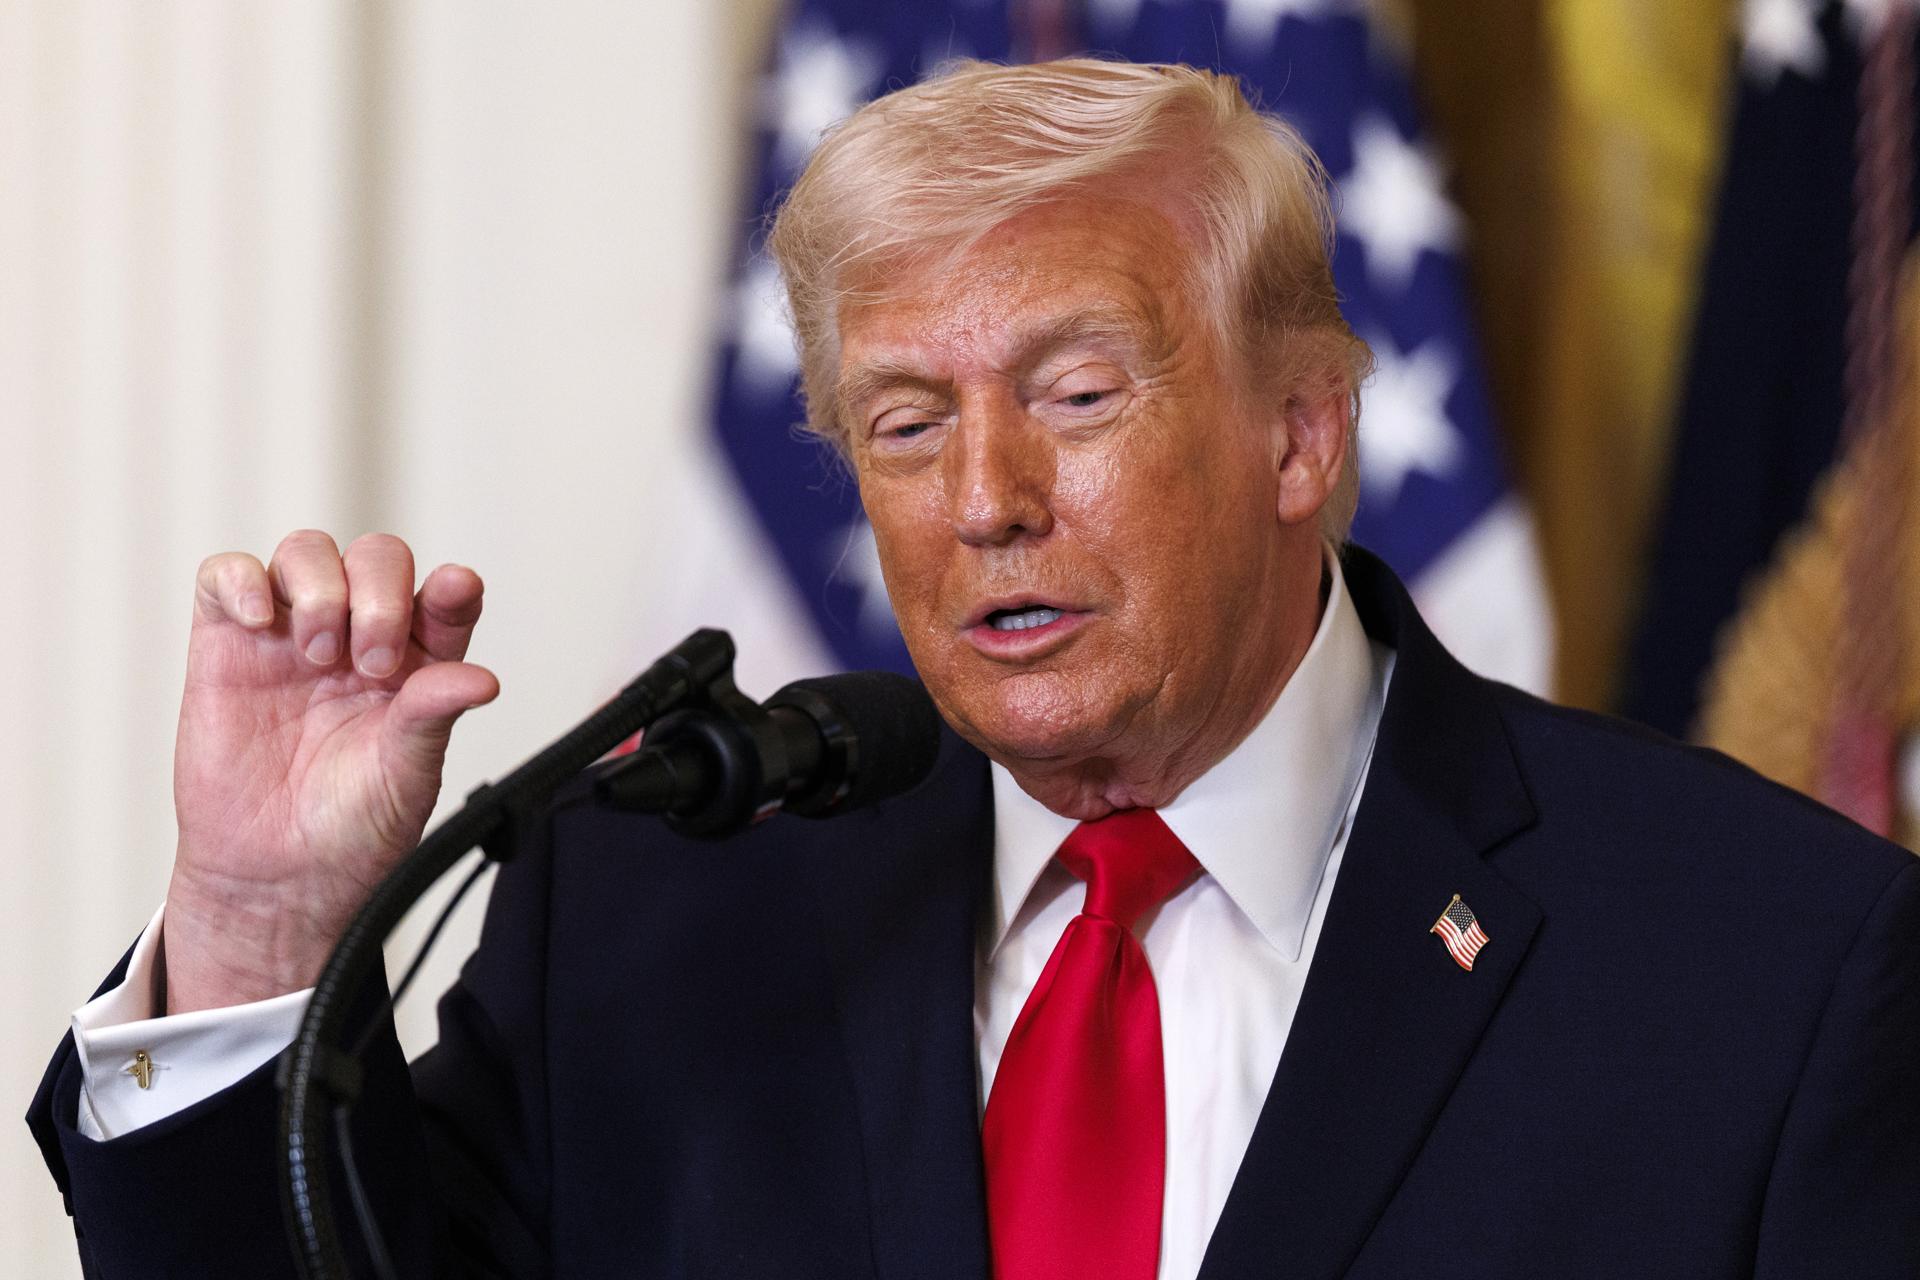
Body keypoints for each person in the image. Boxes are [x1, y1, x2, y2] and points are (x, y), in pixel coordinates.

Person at [27, 58, 1920, 1279]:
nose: (986, 501)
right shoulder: (647, 921)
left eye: (1077, 396)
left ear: (1303, 433)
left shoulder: (1769, 969)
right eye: (907, 424)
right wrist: (259, 926)